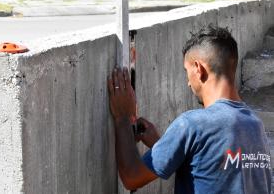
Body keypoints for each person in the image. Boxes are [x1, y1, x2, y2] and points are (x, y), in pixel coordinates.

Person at [107, 25, 271, 194]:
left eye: (187, 71)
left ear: (199, 69)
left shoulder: (192, 124)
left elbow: (132, 177)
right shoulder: (255, 126)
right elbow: (211, 170)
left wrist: (123, 117)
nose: (188, 83)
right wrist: (163, 145)